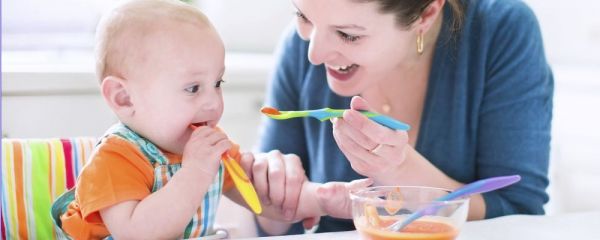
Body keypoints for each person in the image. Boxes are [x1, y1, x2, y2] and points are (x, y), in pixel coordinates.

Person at [50, 0, 370, 239]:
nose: (213, 102)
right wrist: (196, 172)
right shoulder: (113, 160)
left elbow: (264, 196)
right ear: (124, 98)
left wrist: (329, 199)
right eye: (192, 88)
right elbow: (138, 233)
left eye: (218, 83)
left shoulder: (205, 146)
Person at [254, 0, 554, 235]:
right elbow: (275, 225)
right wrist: (275, 199)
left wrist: (398, 169)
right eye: (302, 16)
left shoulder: (500, 31)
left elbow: (518, 212)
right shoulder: (301, 44)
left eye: (348, 35)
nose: (314, 54)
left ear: (425, 15)